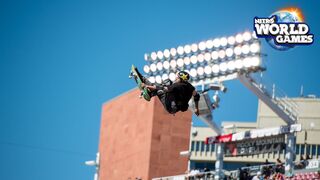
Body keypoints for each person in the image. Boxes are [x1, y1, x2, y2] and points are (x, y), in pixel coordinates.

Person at [136, 68, 200, 115]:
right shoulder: (190, 87)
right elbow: (197, 96)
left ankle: (150, 93)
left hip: (170, 106)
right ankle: (149, 91)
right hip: (175, 107)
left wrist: (147, 86)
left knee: (167, 83)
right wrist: (196, 108)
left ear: (180, 78)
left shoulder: (177, 85)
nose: (175, 78)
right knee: (167, 87)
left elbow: (163, 89)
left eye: (177, 77)